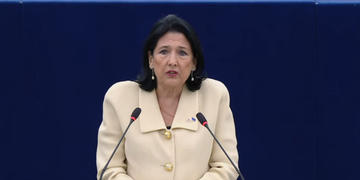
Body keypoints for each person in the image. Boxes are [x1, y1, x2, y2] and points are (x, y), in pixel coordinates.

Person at [96, 14, 239, 180]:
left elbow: (226, 166)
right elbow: (110, 169)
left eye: (182, 53)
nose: (172, 61)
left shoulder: (214, 95)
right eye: (164, 52)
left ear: (194, 62)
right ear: (150, 59)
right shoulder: (120, 98)